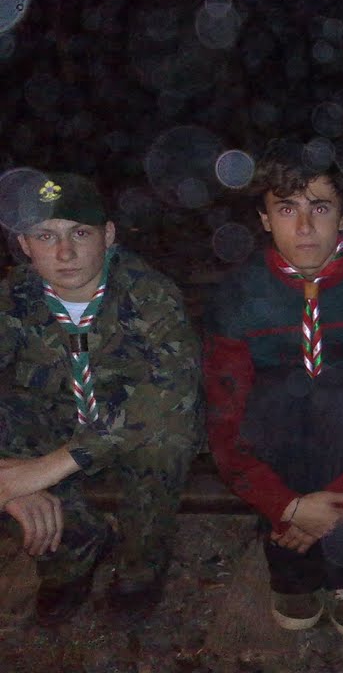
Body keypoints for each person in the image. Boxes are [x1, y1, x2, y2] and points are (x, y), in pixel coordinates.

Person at [204, 144, 343, 636]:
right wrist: (288, 507)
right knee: (276, 399)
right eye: (287, 209)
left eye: (320, 208)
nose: (305, 227)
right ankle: (291, 566)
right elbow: (223, 415)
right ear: (264, 219)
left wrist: (337, 509)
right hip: (278, 431)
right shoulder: (238, 296)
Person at [0, 172, 202, 625]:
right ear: (25, 244)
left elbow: (172, 391)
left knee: (166, 438)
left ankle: (140, 567)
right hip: (57, 421)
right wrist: (9, 485)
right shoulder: (14, 296)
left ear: (108, 235)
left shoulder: (148, 294)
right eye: (45, 236)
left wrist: (48, 468)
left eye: (80, 233)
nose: (64, 253)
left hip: (131, 432)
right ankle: (73, 550)